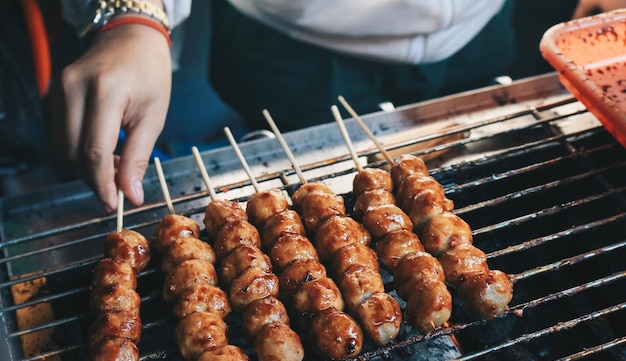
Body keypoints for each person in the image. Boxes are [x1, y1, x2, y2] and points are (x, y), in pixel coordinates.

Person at [52, 0, 624, 213]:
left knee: (472, 180)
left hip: (485, 27)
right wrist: (130, 17)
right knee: (313, 199)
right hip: (294, 42)